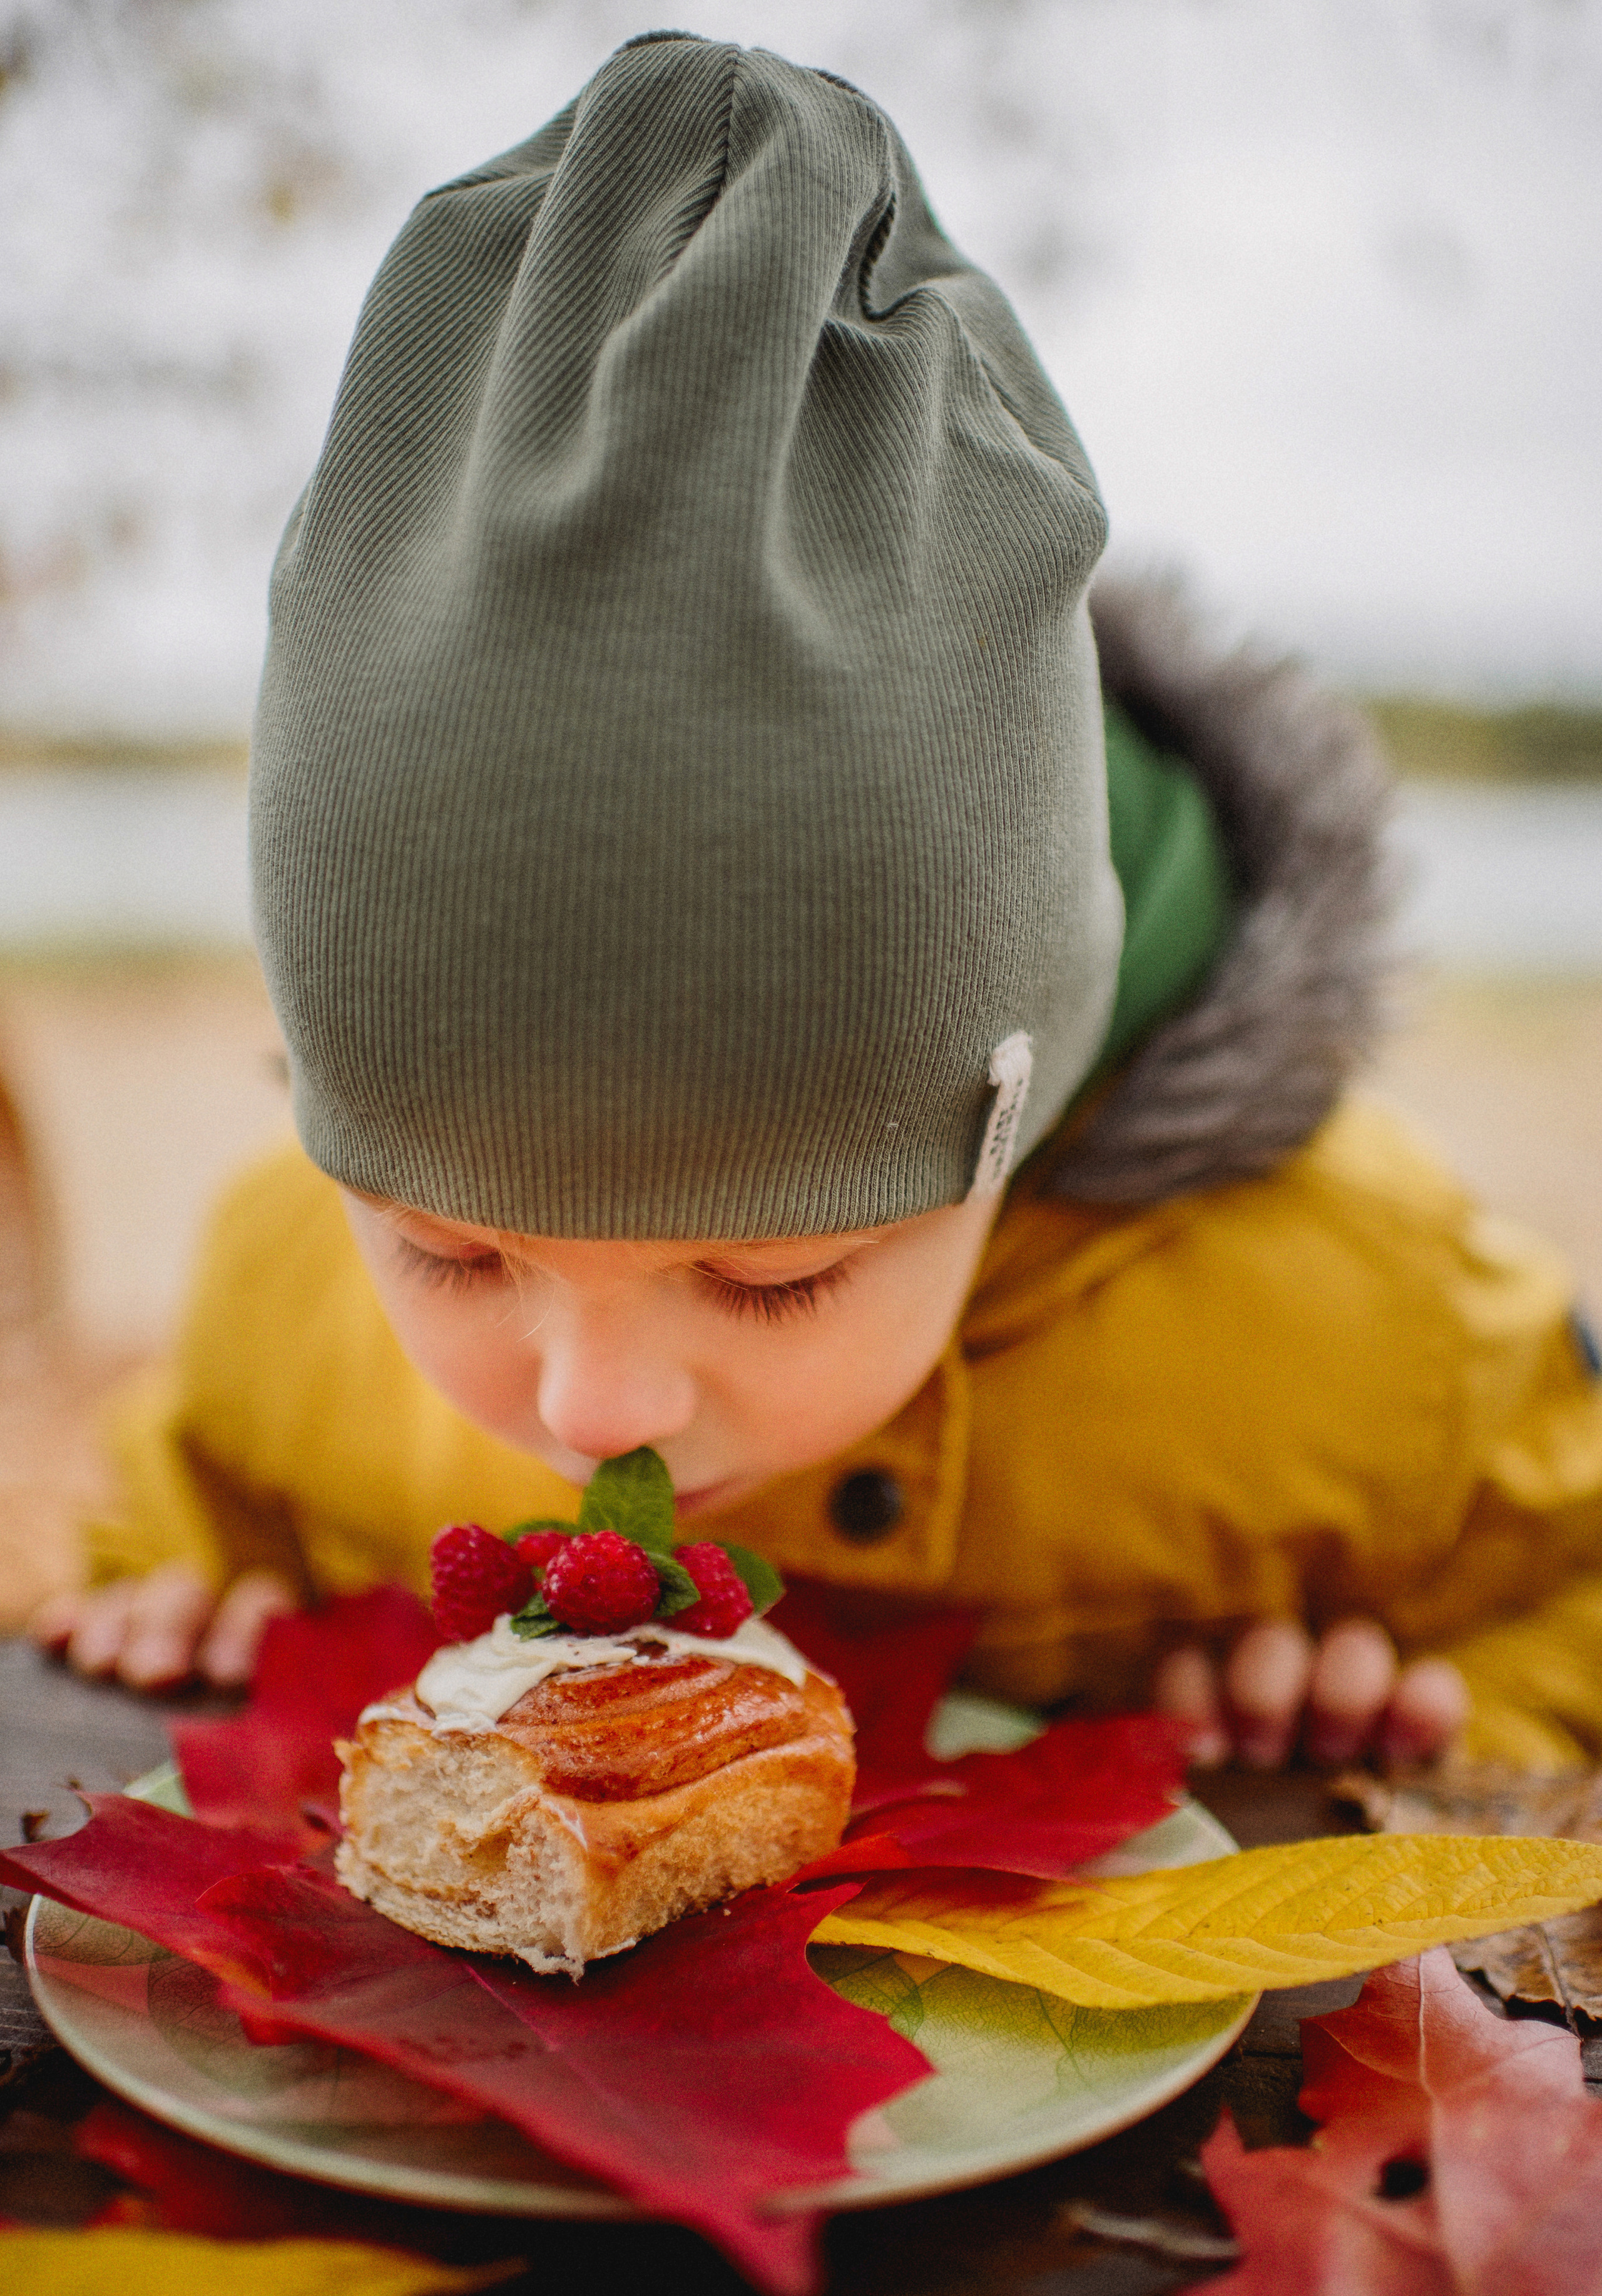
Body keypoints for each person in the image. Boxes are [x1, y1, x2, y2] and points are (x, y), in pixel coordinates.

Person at [32, 33, 1602, 1773]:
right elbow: (179, 1496)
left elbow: (1573, 1599)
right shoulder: (279, 1293)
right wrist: (189, 1597)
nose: (590, 1402)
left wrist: (1435, 1727)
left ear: (1010, 1113)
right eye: (453, 1246)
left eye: (775, 1270)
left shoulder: (1366, 1321)